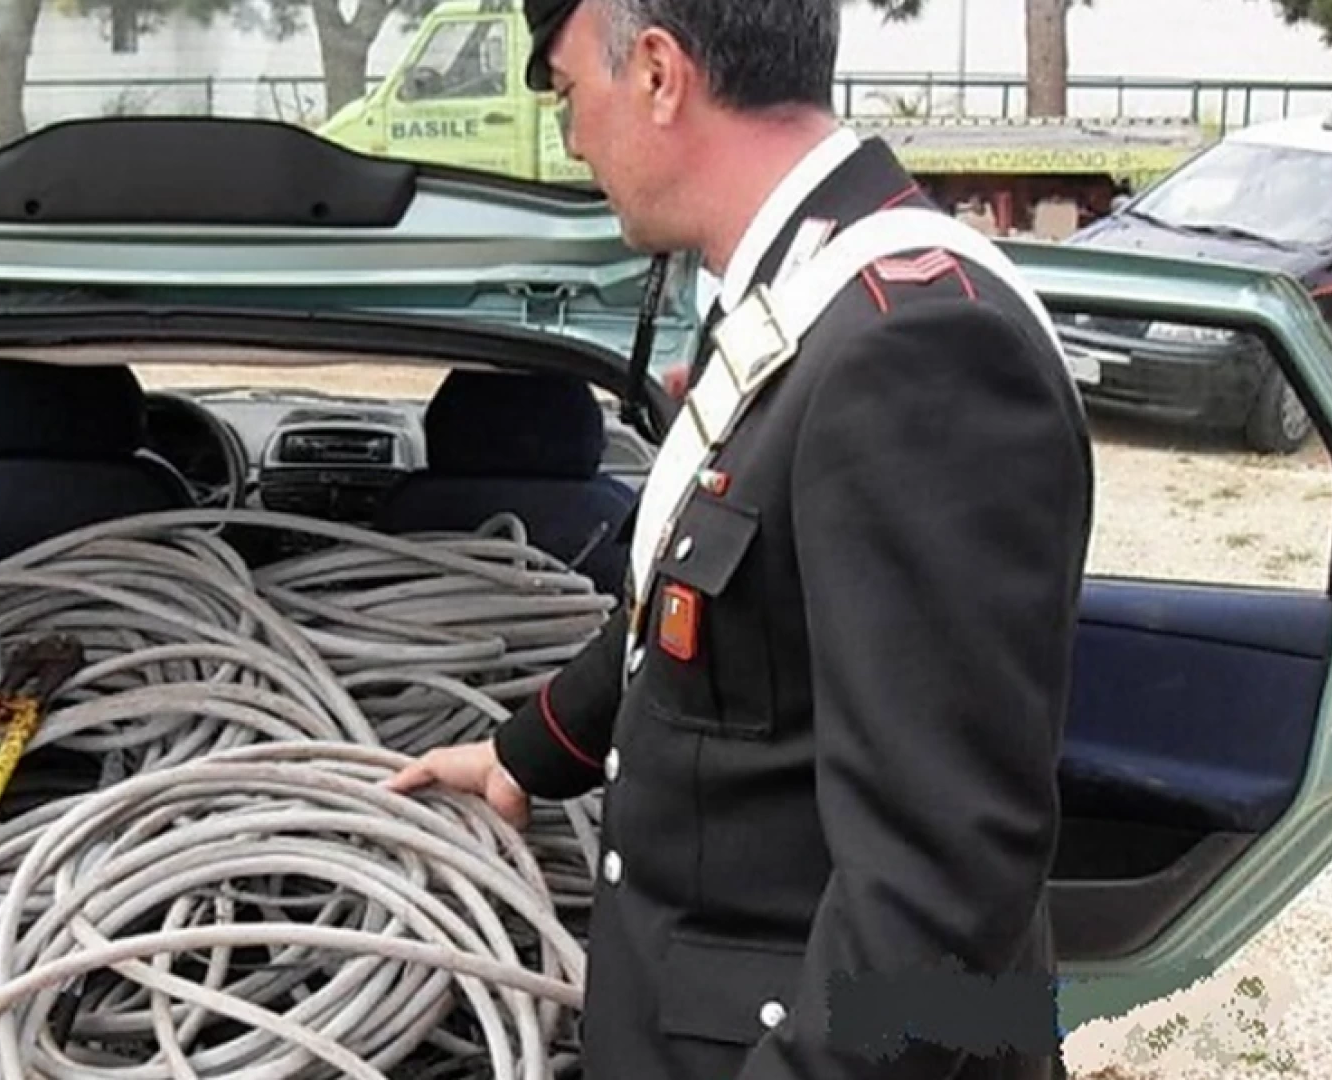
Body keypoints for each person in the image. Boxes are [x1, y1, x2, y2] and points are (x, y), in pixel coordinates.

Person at [384, 1, 1095, 1078]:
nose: (572, 138)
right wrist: (527, 753)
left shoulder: (916, 348)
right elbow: (701, 605)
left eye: (570, 92)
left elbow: (943, 890)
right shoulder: (803, 303)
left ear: (660, 75)